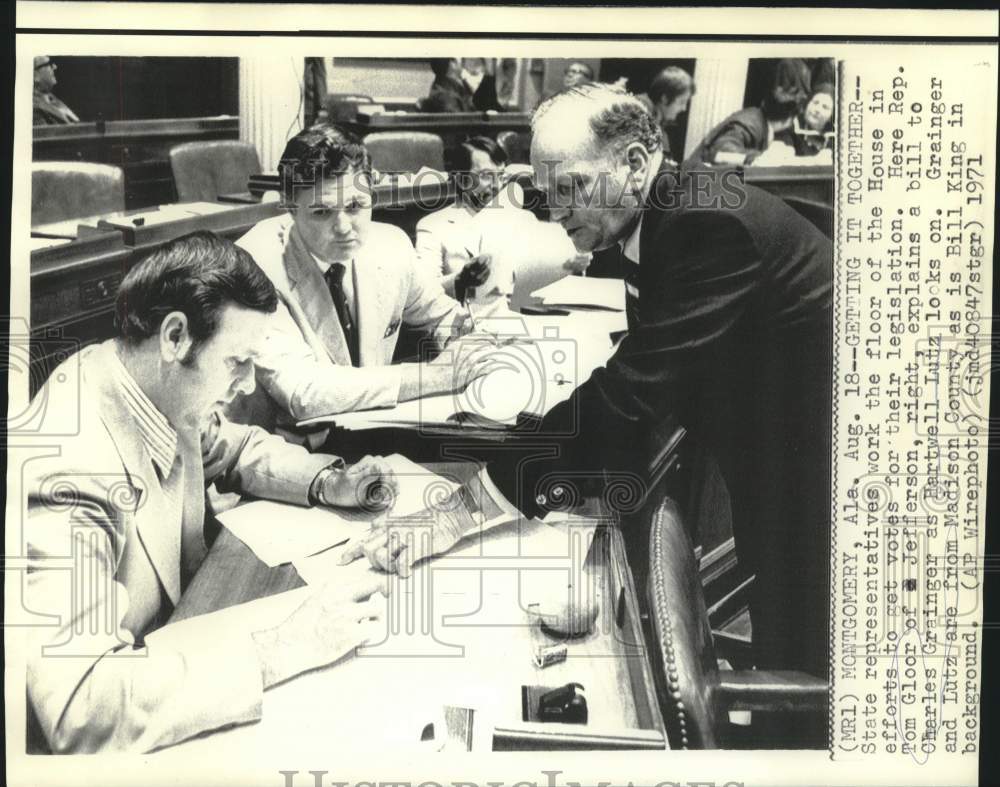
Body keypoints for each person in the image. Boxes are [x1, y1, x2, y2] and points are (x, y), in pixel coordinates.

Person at [347, 84, 834, 693]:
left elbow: (624, 401)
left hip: (833, 472)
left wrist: (453, 516)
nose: (554, 211)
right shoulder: (675, 202)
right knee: (783, 632)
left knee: (809, 664)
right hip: (782, 442)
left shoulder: (703, 225)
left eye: (571, 188)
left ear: (634, 162)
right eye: (547, 193)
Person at [24, 231, 398, 753]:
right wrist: (276, 651)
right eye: (237, 361)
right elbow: (78, 706)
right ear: (175, 337)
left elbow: (233, 446)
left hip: (175, 647)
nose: (247, 384)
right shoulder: (72, 467)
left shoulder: (151, 382)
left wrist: (326, 481)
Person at [232, 124, 498, 442]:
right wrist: (438, 376)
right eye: (321, 212)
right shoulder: (254, 263)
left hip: (371, 432)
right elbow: (304, 393)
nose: (344, 227)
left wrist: (462, 345)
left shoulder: (391, 245)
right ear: (289, 206)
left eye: (356, 206)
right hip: (289, 449)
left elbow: (445, 318)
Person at [415, 136, 589, 299]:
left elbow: (542, 272)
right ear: (461, 180)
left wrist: (570, 263)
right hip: (467, 321)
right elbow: (423, 293)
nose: (497, 186)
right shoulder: (433, 226)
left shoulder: (523, 219)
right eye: (486, 176)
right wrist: (460, 280)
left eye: (501, 176)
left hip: (522, 313)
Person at [683, 83, 804, 168]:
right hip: (698, 187)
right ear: (789, 119)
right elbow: (720, 151)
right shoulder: (750, 125)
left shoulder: (757, 118)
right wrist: (765, 157)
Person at [636, 66, 696, 162]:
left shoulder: (659, 120)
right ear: (665, 98)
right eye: (681, 102)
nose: (684, 108)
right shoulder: (637, 112)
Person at [422, 58, 501, 113]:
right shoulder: (445, 96)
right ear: (452, 64)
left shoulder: (451, 88)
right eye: (459, 60)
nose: (462, 64)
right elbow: (460, 125)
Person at [779, 83, 835, 157]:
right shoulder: (789, 128)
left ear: (831, 115)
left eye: (825, 107)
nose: (817, 110)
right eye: (815, 103)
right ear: (807, 103)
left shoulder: (835, 136)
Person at [32, 56, 79, 125]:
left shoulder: (51, 98)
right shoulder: (31, 109)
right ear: (35, 75)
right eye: (48, 65)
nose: (54, 67)